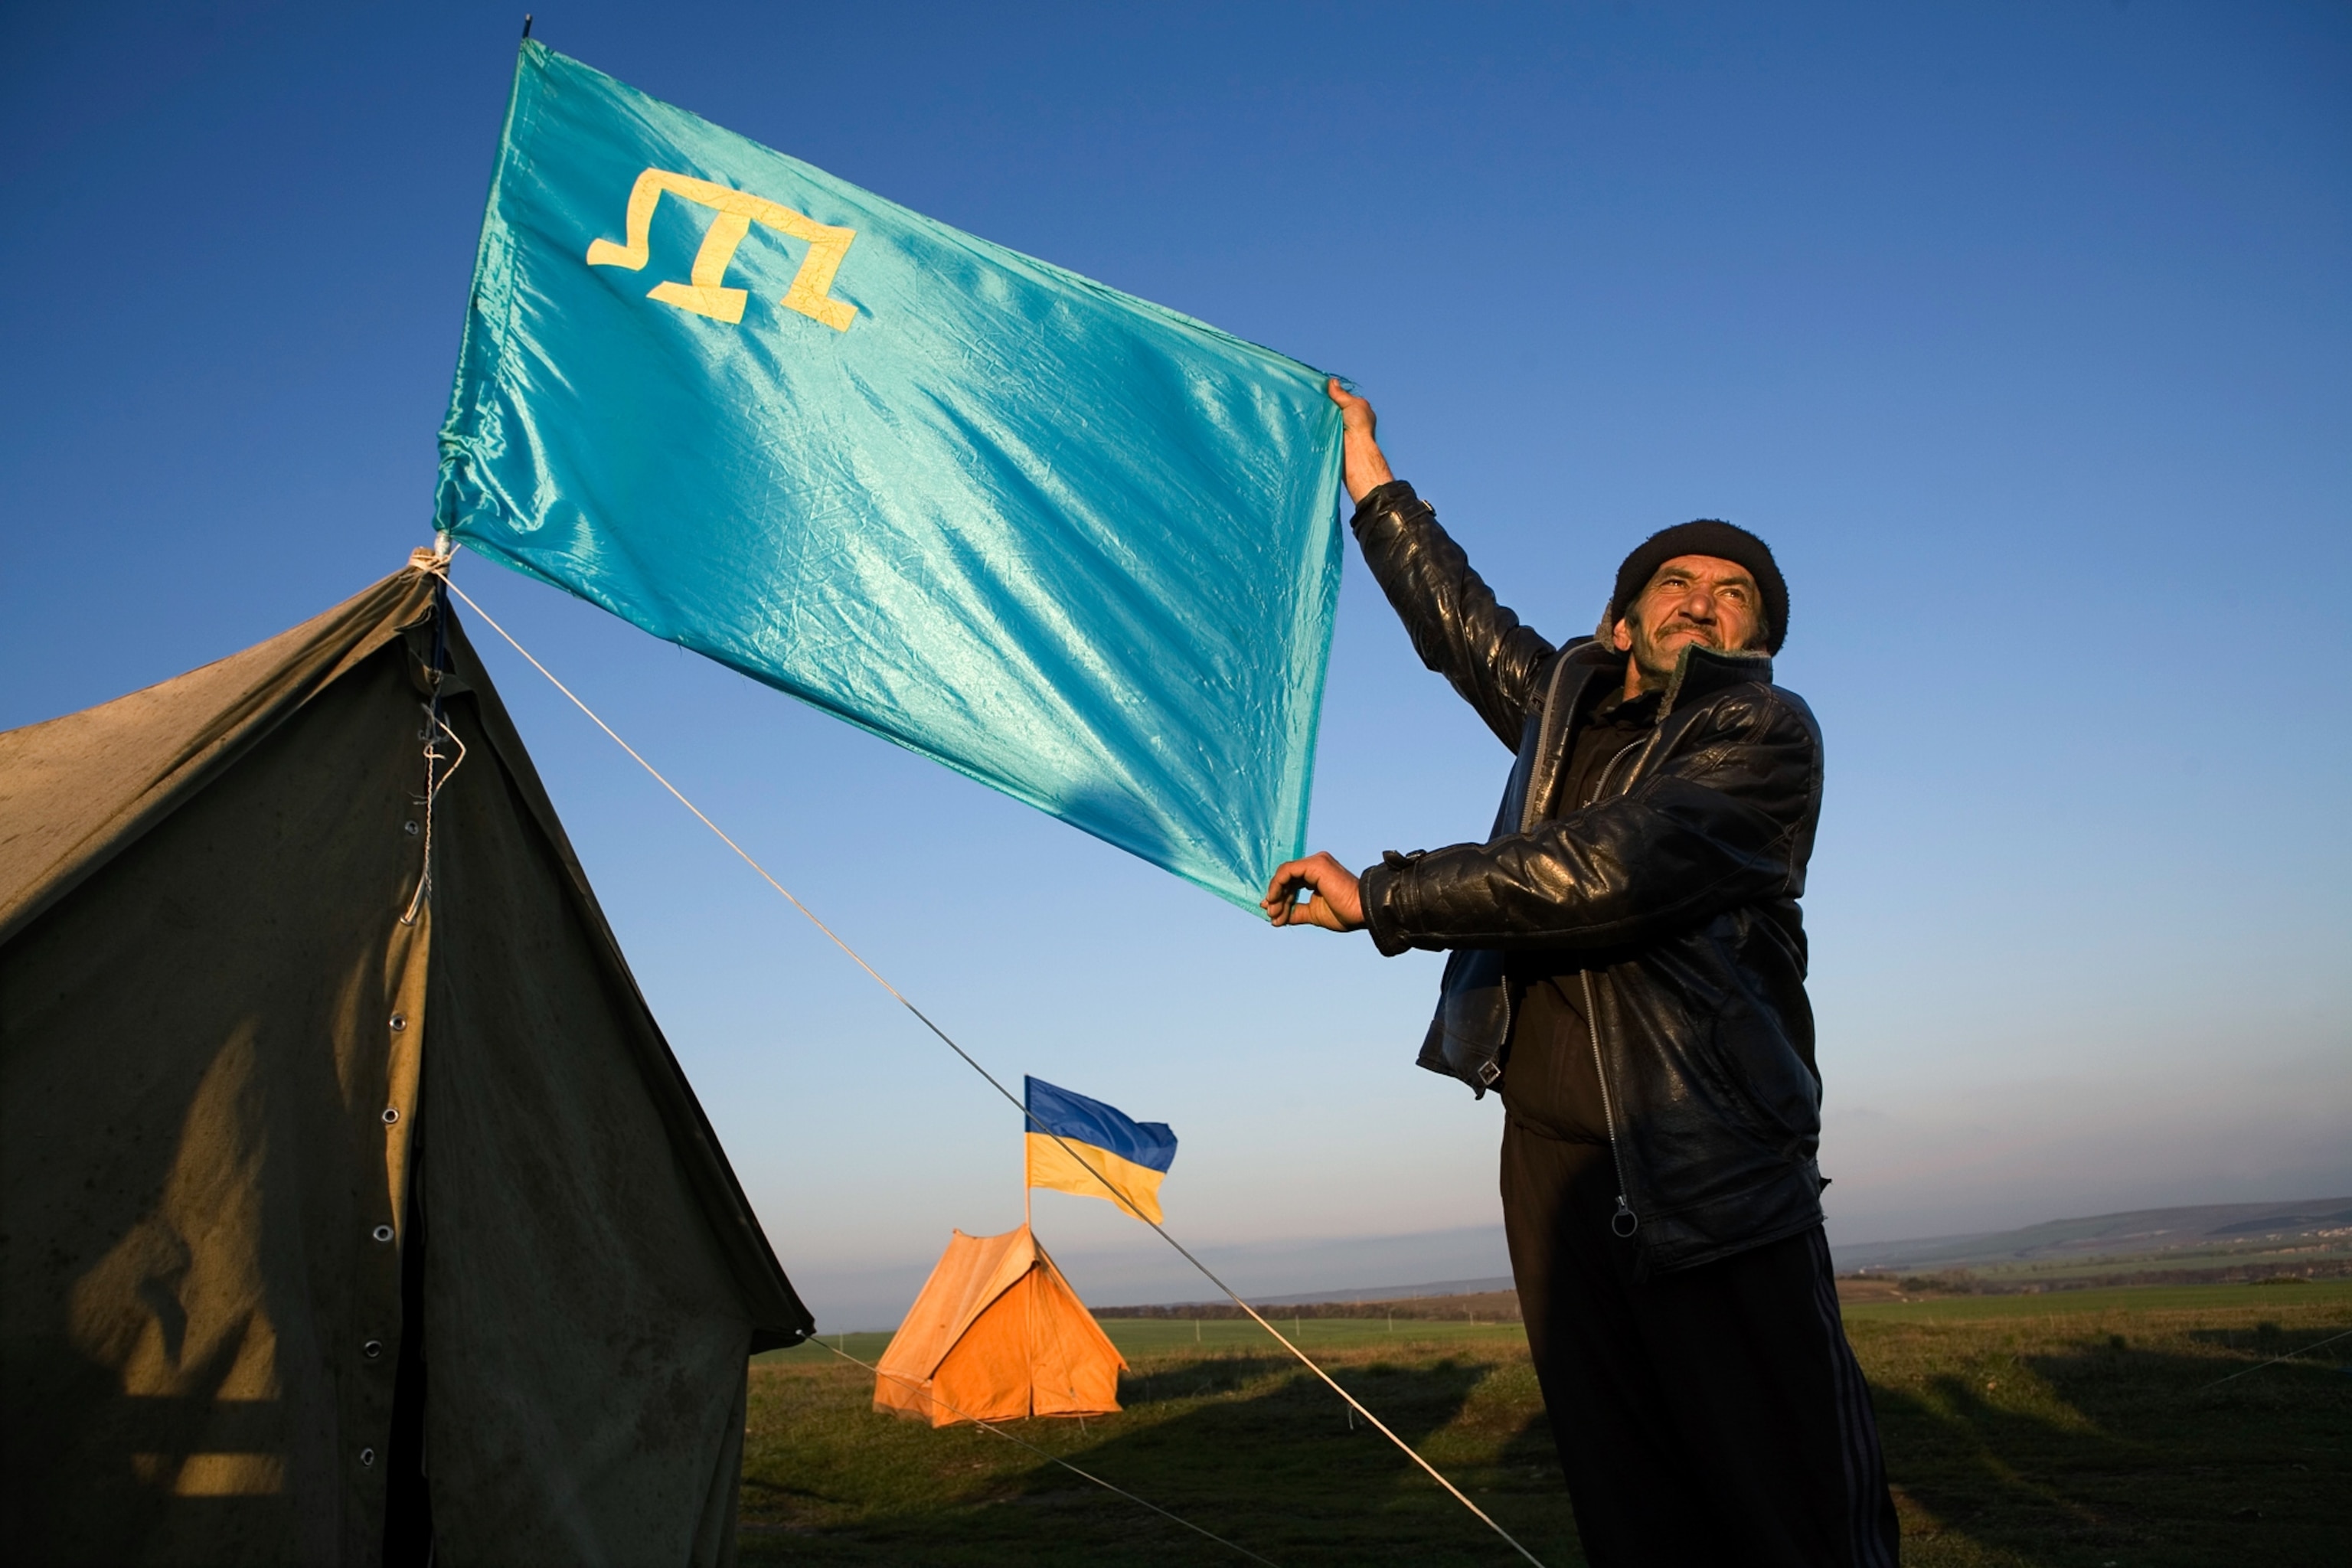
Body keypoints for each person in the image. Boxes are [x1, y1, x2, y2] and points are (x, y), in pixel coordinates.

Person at [1263, 380, 1899, 1566]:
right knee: (1630, 1501)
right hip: (1553, 1173)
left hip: (1708, 1166)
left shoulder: (1764, 738)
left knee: (1793, 1502)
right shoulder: (1566, 710)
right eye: (1677, 584)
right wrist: (1366, 469)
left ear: (1753, 644)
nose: (1703, 605)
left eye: (1733, 597)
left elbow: (1617, 866)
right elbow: (1459, 622)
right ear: (1621, 624)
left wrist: (1388, 897)